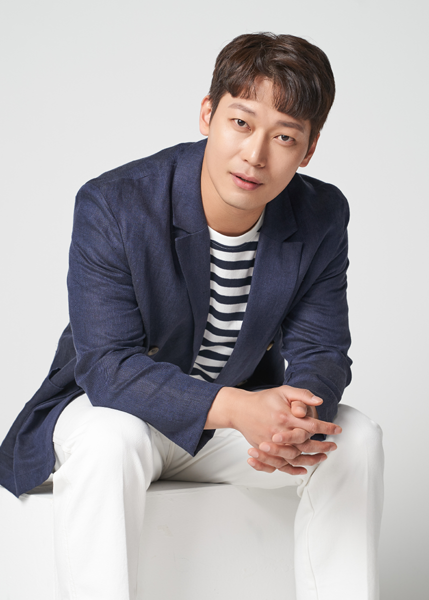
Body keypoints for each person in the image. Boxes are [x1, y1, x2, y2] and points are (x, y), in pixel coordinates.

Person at [0, 32, 384, 600]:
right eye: (241, 123)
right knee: (110, 439)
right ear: (208, 114)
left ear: (308, 149)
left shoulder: (321, 212)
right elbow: (106, 366)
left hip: (229, 430)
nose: (255, 155)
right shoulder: (115, 203)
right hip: (120, 412)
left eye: (284, 137)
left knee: (354, 440)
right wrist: (239, 408)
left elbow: (323, 350)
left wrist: (294, 418)